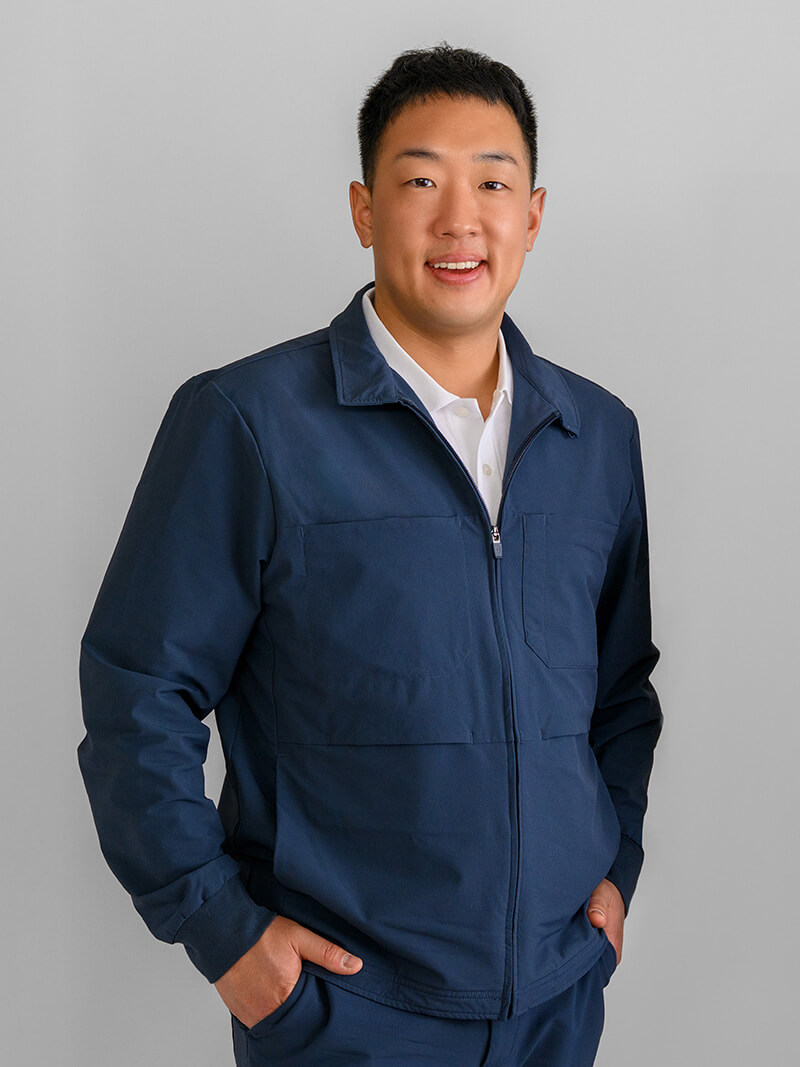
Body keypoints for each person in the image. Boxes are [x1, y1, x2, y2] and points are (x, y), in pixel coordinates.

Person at [77, 42, 663, 1066]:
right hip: (347, 1013)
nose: (458, 217)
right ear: (362, 210)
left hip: (555, 1005)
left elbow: (618, 692)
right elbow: (138, 690)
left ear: (531, 214)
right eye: (419, 181)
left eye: (492, 181)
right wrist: (224, 932)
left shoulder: (597, 435)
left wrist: (614, 871)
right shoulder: (247, 424)